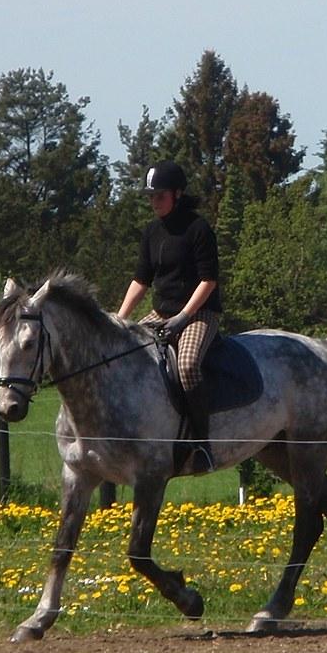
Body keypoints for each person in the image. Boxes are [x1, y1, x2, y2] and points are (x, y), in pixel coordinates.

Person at [117, 160, 222, 474]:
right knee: (123, 352)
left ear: (177, 194)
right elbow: (141, 281)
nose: (153, 202)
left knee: (188, 365)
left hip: (199, 313)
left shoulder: (198, 229)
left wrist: (184, 316)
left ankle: (201, 444)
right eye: (150, 196)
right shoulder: (151, 232)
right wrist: (120, 320)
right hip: (160, 312)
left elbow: (209, 281)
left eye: (159, 196)